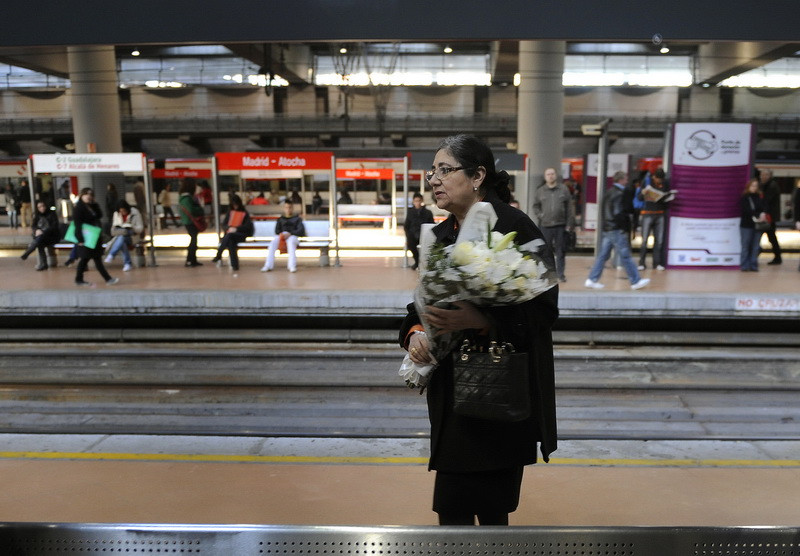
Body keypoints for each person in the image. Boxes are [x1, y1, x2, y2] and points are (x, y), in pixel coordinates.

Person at [399, 134, 559, 527]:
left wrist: (482, 320)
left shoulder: (515, 228)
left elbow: (544, 311)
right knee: (451, 513)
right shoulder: (439, 236)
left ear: (477, 176)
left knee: (492, 515)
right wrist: (416, 331)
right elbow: (418, 305)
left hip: (499, 394)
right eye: (432, 172)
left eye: (444, 170)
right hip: (454, 398)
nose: (434, 180)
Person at [585, 171, 650, 290]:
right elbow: (618, 212)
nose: (627, 181)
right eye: (625, 179)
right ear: (621, 180)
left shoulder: (609, 192)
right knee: (626, 255)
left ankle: (592, 279)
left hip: (608, 228)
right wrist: (624, 227)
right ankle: (635, 280)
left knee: (603, 255)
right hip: (616, 229)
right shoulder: (620, 193)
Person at [531, 167, 574, 282]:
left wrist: (569, 224)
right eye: (548, 174)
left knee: (561, 251)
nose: (550, 176)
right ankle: (548, 273)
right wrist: (541, 215)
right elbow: (535, 206)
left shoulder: (563, 189)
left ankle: (560, 275)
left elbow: (570, 208)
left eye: (552, 174)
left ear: (556, 175)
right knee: (546, 252)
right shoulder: (540, 191)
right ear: (545, 177)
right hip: (545, 225)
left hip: (561, 225)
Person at [72, 188, 118, 286]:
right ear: (81, 195)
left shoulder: (91, 206)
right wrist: (80, 239)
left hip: (94, 236)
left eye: (90, 195)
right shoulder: (78, 208)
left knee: (93, 259)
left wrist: (95, 204)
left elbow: (99, 215)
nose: (88, 196)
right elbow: (78, 224)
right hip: (86, 237)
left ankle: (106, 279)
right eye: (86, 194)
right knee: (86, 259)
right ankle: (106, 279)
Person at [637, 168, 670, 271]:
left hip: (660, 214)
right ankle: (642, 263)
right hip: (647, 214)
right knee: (644, 240)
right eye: (658, 179)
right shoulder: (647, 182)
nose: (660, 181)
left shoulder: (665, 183)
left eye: (661, 179)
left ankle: (657, 263)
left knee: (659, 241)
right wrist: (644, 193)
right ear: (654, 177)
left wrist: (667, 197)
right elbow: (639, 197)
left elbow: (666, 196)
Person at [212, 194, 254, 272]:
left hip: (240, 235)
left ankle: (219, 254)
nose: (235, 206)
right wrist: (229, 228)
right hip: (231, 235)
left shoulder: (244, 213)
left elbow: (247, 227)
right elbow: (224, 224)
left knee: (229, 236)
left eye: (236, 205)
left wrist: (236, 229)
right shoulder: (230, 213)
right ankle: (235, 265)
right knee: (231, 242)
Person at [261, 199, 305, 273]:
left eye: (290, 207)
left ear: (292, 208)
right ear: (284, 208)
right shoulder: (280, 219)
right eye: (286, 207)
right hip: (282, 236)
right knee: (273, 242)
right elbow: (277, 231)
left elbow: (300, 231)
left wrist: (290, 233)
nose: (288, 209)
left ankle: (292, 266)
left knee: (291, 242)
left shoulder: (297, 219)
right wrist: (282, 234)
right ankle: (268, 265)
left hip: (293, 236)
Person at [104, 200, 144, 272]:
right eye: (121, 212)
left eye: (124, 211)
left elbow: (140, 228)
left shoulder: (135, 213)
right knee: (122, 240)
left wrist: (132, 227)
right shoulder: (116, 214)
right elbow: (113, 230)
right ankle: (127, 264)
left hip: (132, 236)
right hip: (120, 236)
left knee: (122, 238)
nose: (122, 213)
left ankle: (112, 254)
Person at [21, 201, 59, 270]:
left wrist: (43, 232)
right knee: (40, 242)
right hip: (41, 237)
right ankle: (43, 264)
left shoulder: (52, 214)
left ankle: (28, 252)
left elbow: (54, 227)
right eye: (39, 207)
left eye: (43, 206)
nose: (42, 208)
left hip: (52, 236)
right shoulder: (37, 215)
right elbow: (33, 226)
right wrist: (37, 230)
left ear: (46, 206)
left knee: (40, 240)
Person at [740, 178, 767, 272]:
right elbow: (746, 210)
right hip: (746, 225)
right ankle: (744, 265)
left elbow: (764, 207)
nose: (754, 188)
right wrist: (757, 215)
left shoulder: (760, 197)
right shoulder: (745, 197)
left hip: (758, 225)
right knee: (746, 245)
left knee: (755, 246)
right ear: (748, 186)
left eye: (756, 186)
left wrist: (763, 214)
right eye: (752, 186)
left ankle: (753, 264)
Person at [403, 192, 434, 270]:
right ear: (413, 201)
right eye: (416, 201)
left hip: (424, 234)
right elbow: (407, 225)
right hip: (413, 234)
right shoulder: (410, 212)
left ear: (422, 201)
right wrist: (408, 234)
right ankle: (417, 262)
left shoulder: (428, 213)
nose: (417, 203)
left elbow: (431, 225)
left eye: (419, 201)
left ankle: (422, 263)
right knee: (411, 245)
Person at [178, 179, 205, 267]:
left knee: (194, 239)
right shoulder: (187, 198)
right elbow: (191, 210)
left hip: (188, 220)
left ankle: (192, 259)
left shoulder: (184, 197)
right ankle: (190, 260)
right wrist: (200, 209)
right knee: (193, 240)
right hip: (190, 221)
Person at [758, 168, 782, 265]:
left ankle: (777, 257)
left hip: (769, 217)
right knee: (771, 237)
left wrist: (763, 212)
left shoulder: (771, 186)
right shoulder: (764, 185)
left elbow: (766, 201)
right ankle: (777, 257)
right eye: (762, 174)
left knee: (769, 237)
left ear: (770, 176)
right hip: (768, 216)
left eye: (765, 175)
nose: (763, 176)